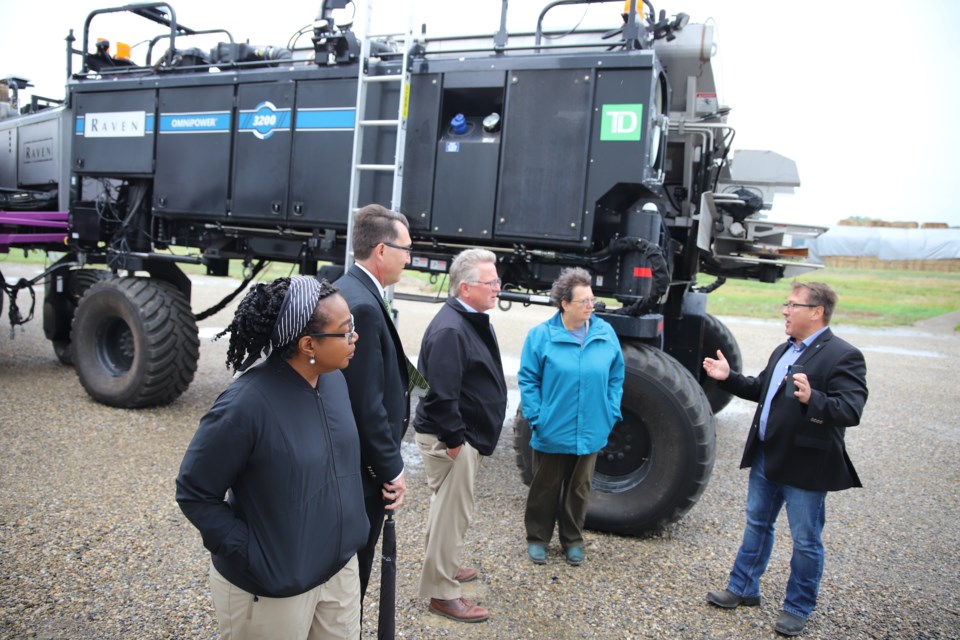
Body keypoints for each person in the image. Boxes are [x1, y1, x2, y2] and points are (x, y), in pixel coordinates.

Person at [176, 276, 369, 639]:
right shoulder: (245, 405)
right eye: (345, 331)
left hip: (338, 572)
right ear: (308, 344)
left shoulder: (333, 381)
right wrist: (253, 554)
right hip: (272, 590)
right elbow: (195, 492)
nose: (354, 338)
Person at [702, 281, 868, 637]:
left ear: (817, 312)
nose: (785, 311)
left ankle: (797, 607)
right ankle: (743, 588)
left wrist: (814, 399)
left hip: (805, 465)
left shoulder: (843, 355)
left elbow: (851, 409)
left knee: (806, 539)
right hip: (766, 456)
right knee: (757, 525)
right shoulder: (783, 350)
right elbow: (762, 388)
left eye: (793, 305)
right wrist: (727, 378)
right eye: (786, 304)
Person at [413, 248, 507, 623]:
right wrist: (455, 442)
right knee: (454, 515)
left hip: (461, 436)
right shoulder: (452, 329)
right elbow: (439, 395)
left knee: (448, 511)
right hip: (453, 439)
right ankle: (441, 593)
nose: (498, 288)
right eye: (492, 282)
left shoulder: (468, 318)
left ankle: (445, 565)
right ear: (466, 288)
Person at [517, 267, 624, 567]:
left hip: (591, 428)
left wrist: (610, 411)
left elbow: (616, 376)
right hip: (552, 427)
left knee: (580, 487)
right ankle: (537, 538)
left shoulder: (605, 334)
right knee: (544, 486)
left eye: (592, 300)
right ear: (564, 304)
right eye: (584, 301)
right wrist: (538, 417)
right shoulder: (541, 336)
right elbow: (528, 380)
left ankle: (573, 540)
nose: (591, 306)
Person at [334, 204, 412, 603]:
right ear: (382, 250)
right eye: (406, 249)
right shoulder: (362, 304)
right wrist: (391, 468)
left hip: (354, 464)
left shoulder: (354, 290)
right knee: (352, 581)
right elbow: (367, 403)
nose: (410, 259)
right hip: (363, 473)